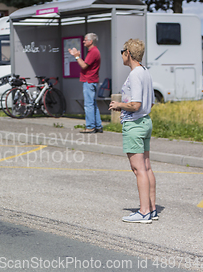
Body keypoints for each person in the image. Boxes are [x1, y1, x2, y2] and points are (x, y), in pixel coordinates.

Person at [109, 39, 157, 224]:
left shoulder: (135, 74)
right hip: (145, 122)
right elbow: (149, 102)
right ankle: (151, 208)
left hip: (135, 124)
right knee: (146, 167)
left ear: (128, 53)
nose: (121, 55)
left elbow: (135, 105)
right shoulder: (145, 72)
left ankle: (144, 212)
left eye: (122, 51)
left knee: (138, 170)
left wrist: (118, 105)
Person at [68, 33, 103, 133]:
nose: (83, 41)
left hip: (89, 80)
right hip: (93, 80)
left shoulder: (93, 52)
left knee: (88, 105)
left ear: (90, 41)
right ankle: (98, 125)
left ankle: (90, 126)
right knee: (93, 104)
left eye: (85, 40)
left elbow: (84, 65)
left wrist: (76, 56)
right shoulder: (95, 51)